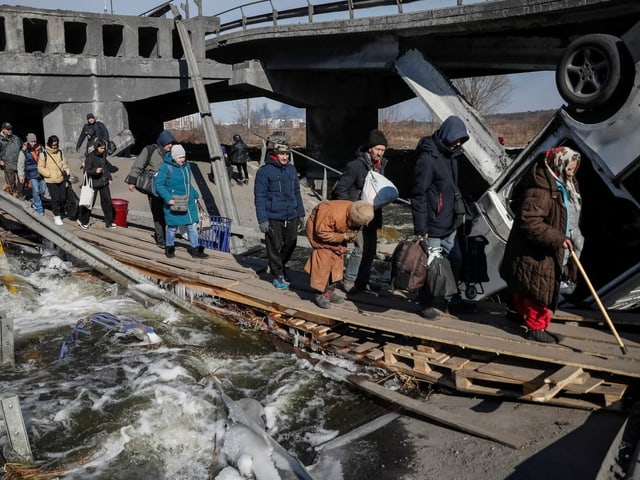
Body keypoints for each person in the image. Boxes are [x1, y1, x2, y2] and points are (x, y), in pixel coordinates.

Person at [499, 146, 583, 343]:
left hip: (553, 244)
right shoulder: (540, 190)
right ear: (558, 165)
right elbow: (529, 221)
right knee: (539, 288)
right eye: (569, 169)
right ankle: (536, 328)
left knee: (528, 285)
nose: (571, 173)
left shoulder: (565, 183)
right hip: (536, 248)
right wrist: (557, 238)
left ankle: (518, 313)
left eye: (574, 169)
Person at [410, 115, 475, 319]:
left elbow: (451, 188)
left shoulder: (451, 156)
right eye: (456, 139)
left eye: (461, 140)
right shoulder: (428, 159)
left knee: (455, 259)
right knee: (433, 265)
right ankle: (425, 302)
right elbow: (418, 194)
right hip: (433, 224)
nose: (458, 143)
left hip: (450, 222)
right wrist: (421, 228)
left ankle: (452, 299)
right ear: (447, 134)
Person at [332, 128, 388, 294]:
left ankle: (363, 281)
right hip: (358, 215)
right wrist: (351, 209)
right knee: (360, 248)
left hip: (374, 214)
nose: (380, 153)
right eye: (378, 149)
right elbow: (341, 189)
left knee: (371, 250)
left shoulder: (381, 166)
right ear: (370, 148)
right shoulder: (355, 166)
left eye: (383, 150)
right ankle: (349, 279)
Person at [254, 141, 305, 290]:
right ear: (275, 154)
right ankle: (276, 275)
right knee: (274, 246)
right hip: (273, 216)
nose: (285, 157)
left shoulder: (291, 169)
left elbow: (297, 192)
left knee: (291, 243)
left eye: (287, 154)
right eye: (282, 154)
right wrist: (263, 219)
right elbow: (259, 196)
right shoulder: (265, 171)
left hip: (291, 214)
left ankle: (280, 267)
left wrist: (300, 213)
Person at [305, 200, 375, 308]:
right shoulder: (331, 213)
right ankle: (320, 293)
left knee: (337, 262)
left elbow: (354, 229)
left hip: (337, 232)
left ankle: (330, 291)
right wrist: (343, 237)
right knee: (322, 263)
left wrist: (351, 237)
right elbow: (321, 232)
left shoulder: (359, 212)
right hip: (319, 233)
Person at [124, 130, 176, 248]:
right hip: (154, 188)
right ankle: (161, 239)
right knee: (158, 213)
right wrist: (132, 182)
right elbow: (138, 165)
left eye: (171, 143)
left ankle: (166, 235)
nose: (171, 145)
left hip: (168, 188)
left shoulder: (172, 153)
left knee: (168, 213)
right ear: (162, 143)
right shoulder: (150, 150)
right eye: (168, 143)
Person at [155, 144, 207, 259]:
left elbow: (188, 184)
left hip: (188, 201)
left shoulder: (187, 166)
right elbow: (159, 185)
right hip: (174, 202)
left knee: (192, 225)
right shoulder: (165, 167)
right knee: (172, 226)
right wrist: (168, 198)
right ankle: (169, 247)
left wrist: (195, 194)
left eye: (183, 157)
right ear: (173, 157)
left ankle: (195, 249)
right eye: (179, 157)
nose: (182, 159)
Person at [37, 135, 78, 225]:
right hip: (51, 180)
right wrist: (48, 174)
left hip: (61, 178)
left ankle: (62, 211)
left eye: (56, 145)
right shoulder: (43, 154)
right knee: (55, 199)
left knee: (63, 198)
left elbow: (64, 163)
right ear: (50, 144)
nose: (55, 146)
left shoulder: (60, 152)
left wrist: (67, 170)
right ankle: (56, 215)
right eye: (53, 145)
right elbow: (40, 168)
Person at [77, 139, 117, 230]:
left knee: (107, 202)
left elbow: (105, 167)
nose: (104, 150)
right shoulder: (90, 157)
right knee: (89, 202)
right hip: (93, 183)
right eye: (102, 148)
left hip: (104, 182)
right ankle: (83, 221)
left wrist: (109, 177)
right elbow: (86, 171)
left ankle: (109, 222)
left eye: (104, 148)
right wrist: (95, 171)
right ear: (96, 147)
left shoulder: (103, 155)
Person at [17, 133, 46, 215]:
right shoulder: (24, 150)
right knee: (36, 190)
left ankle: (35, 203)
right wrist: (21, 175)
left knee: (43, 190)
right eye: (31, 141)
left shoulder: (40, 148)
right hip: (31, 173)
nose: (33, 143)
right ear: (28, 141)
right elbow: (20, 163)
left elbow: (46, 159)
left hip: (41, 172)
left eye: (34, 141)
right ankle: (39, 208)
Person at [0, 121, 23, 198]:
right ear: (3, 129)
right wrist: (0, 160)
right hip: (8, 163)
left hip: (18, 162)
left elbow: (22, 147)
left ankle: (19, 194)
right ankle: (12, 198)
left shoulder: (16, 138)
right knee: (11, 182)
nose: (9, 130)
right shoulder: (0, 139)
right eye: (7, 129)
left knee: (22, 180)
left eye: (10, 129)